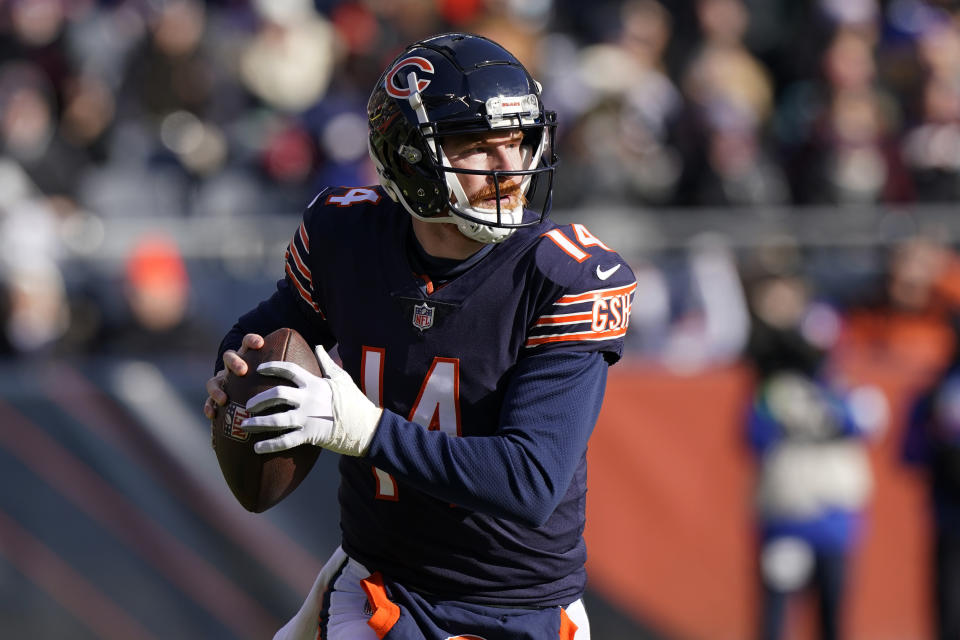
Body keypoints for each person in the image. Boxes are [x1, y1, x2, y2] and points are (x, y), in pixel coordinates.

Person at [203, 33, 636, 640]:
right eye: (480, 148)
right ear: (408, 158)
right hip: (380, 580)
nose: (510, 168)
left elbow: (530, 480)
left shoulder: (561, 277)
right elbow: (269, 328)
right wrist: (233, 366)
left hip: (518, 604)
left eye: (517, 141)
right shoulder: (347, 238)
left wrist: (366, 430)